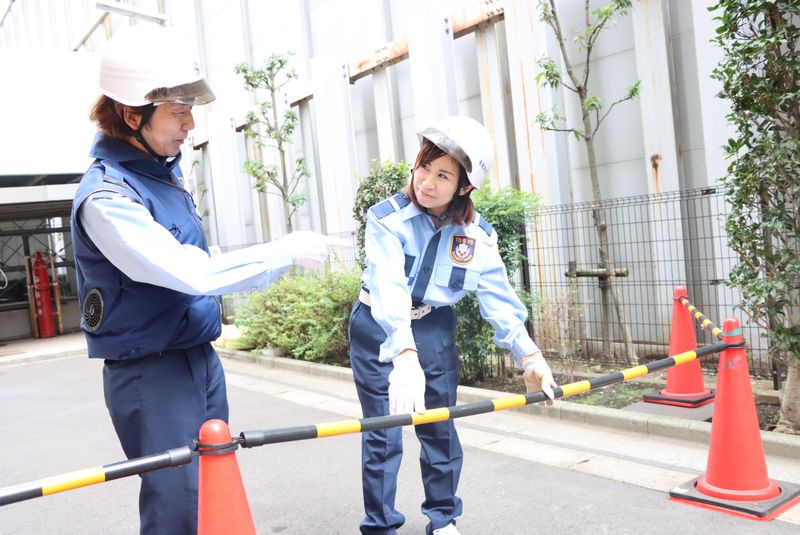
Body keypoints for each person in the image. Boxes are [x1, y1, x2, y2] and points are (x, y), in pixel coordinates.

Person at [70, 25, 346, 534]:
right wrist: (281, 252)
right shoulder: (107, 197)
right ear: (132, 114)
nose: (190, 124)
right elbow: (188, 271)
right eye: (178, 112)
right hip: (151, 372)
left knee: (214, 487)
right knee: (178, 505)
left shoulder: (161, 176)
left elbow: (199, 257)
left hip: (196, 357)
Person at [348, 115, 558, 535]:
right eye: (424, 166)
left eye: (442, 175)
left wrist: (529, 355)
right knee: (384, 430)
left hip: (434, 326)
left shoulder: (477, 235)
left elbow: (496, 294)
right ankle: (380, 525)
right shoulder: (386, 219)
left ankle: (443, 518)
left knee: (439, 426)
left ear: (464, 187)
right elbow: (388, 285)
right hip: (377, 325)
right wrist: (404, 353)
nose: (426, 182)